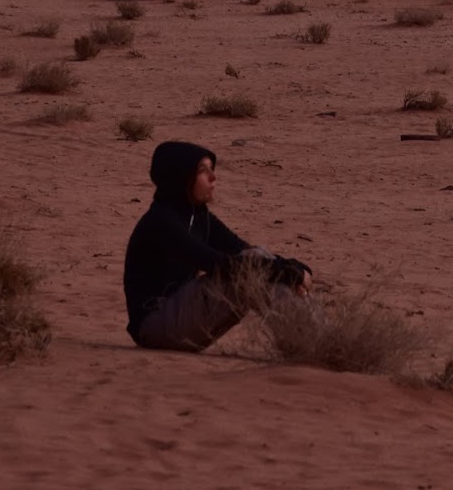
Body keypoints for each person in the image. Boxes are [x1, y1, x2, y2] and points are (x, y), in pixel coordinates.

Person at [123, 140, 312, 351]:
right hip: (156, 324)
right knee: (248, 272)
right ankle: (312, 341)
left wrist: (290, 266)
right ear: (181, 178)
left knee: (255, 257)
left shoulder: (199, 215)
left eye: (212, 169)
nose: (213, 178)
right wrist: (286, 270)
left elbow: (241, 249)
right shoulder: (161, 221)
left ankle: (310, 337)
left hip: (180, 318)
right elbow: (217, 264)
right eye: (203, 171)